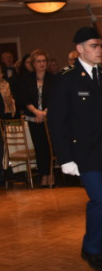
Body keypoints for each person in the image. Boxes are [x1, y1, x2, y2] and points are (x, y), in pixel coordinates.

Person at [48, 27, 102, 271]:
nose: (100, 51)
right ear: (80, 49)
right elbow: (57, 121)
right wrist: (65, 158)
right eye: (94, 46)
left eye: (101, 46)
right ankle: (91, 248)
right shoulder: (66, 78)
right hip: (84, 153)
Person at [13, 49, 54, 187]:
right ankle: (43, 176)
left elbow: (55, 98)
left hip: (49, 118)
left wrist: (44, 113)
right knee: (39, 147)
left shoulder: (53, 78)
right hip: (33, 117)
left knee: (50, 147)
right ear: (33, 63)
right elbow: (24, 98)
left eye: (44, 61)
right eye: (38, 61)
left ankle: (51, 174)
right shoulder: (27, 79)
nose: (42, 64)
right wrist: (36, 112)